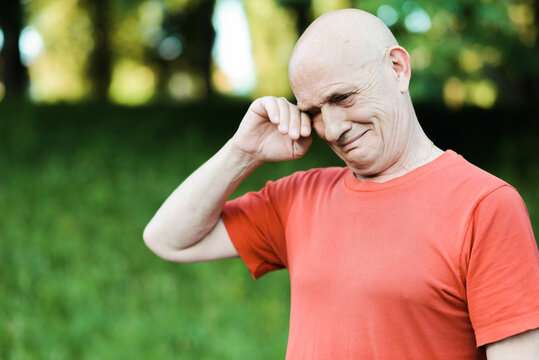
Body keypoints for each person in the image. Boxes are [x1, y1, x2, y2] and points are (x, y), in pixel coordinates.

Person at [143, 9, 539, 360]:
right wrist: (243, 152)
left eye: (343, 97)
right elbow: (169, 239)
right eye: (313, 111)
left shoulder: (485, 205)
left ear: (398, 68)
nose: (332, 129)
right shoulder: (299, 196)